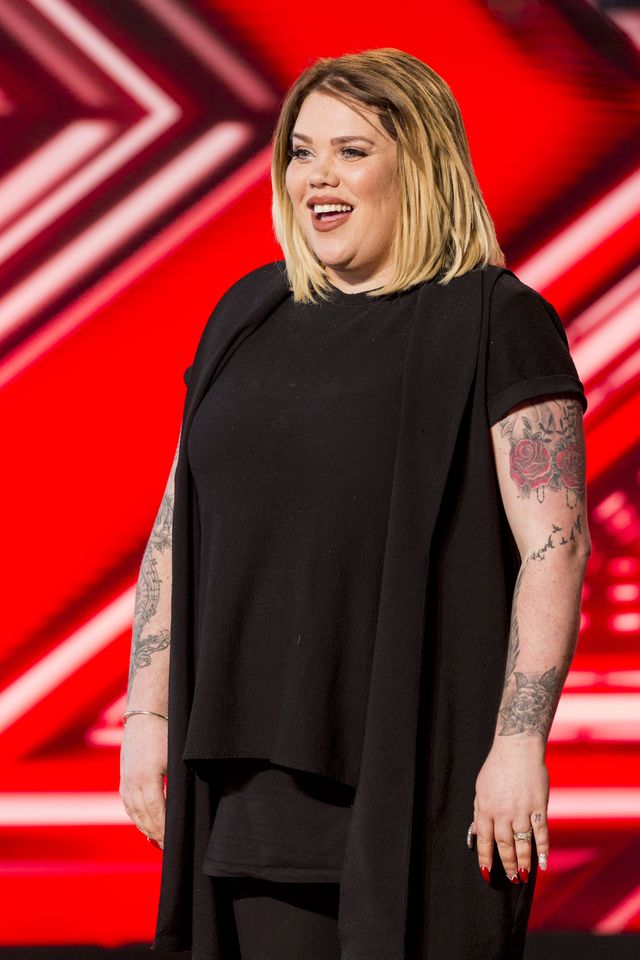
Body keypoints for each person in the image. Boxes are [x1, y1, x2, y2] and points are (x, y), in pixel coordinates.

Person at [119, 48, 590, 960]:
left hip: (419, 781)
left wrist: (518, 743)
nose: (318, 176)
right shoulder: (247, 313)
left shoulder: (494, 318)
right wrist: (147, 717)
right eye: (302, 152)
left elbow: (556, 544)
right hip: (251, 788)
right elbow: (178, 525)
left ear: (421, 165)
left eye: (352, 151)